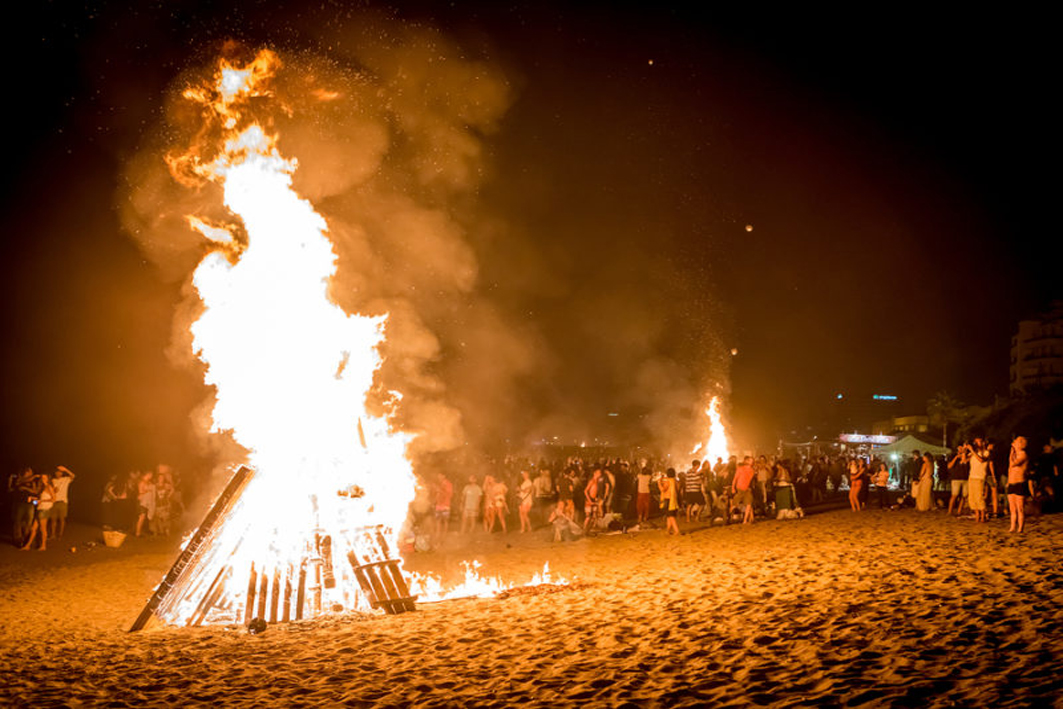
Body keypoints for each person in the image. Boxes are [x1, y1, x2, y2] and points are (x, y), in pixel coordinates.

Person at [21, 471, 55, 551]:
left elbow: (53, 499)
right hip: (40, 509)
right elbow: (41, 499)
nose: (42, 479)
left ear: (47, 478)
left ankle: (43, 546)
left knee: (42, 528)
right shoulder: (42, 487)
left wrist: (41, 501)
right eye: (41, 477)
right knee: (33, 528)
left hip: (44, 510)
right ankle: (27, 546)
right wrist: (33, 499)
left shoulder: (49, 487)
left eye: (44, 477)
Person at [1007, 436, 1031, 533]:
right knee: (1012, 508)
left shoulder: (1023, 454)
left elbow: (1013, 463)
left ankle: (1020, 528)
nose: (1014, 443)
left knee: (1019, 508)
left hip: (1020, 483)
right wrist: (1008, 481)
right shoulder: (1015, 454)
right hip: (1012, 483)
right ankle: (1012, 527)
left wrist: (1012, 452)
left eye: (1016, 442)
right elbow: (1010, 468)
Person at [49, 465, 75, 540]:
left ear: (62, 473)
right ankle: (53, 534)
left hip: (63, 502)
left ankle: (60, 535)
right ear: (55, 473)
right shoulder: (53, 480)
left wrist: (66, 470)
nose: (58, 473)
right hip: (54, 501)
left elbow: (73, 476)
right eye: (57, 472)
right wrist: (54, 490)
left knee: (62, 519)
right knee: (53, 519)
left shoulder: (66, 479)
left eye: (60, 472)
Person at [967, 439, 990, 523]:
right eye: (975, 442)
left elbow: (981, 460)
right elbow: (964, 460)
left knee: (979, 497)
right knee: (972, 497)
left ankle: (983, 516)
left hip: (979, 477)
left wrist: (972, 451)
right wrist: (964, 451)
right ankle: (977, 516)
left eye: (979, 441)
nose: (976, 443)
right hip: (972, 476)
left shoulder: (986, 452)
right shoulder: (973, 453)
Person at [947, 445, 970, 517]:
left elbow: (967, 463)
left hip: (965, 478)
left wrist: (965, 457)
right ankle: (950, 511)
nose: (961, 449)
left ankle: (959, 511)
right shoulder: (953, 456)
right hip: (956, 478)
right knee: (954, 495)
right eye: (960, 448)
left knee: (964, 496)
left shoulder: (968, 456)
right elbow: (949, 466)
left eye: (963, 448)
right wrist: (956, 457)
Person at [732, 456, 756, 524]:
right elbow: (735, 479)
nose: (752, 462)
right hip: (739, 489)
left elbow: (750, 480)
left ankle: (745, 520)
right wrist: (733, 488)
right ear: (747, 461)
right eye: (751, 460)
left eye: (752, 461)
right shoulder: (740, 469)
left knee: (748, 503)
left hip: (747, 489)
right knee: (734, 504)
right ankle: (729, 517)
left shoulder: (752, 470)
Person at [658, 468, 680, 535]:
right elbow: (678, 489)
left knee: (671, 516)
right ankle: (668, 530)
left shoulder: (668, 481)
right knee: (669, 516)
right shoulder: (675, 481)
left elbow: (663, 489)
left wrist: (659, 483)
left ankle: (676, 531)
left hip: (668, 500)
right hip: (674, 500)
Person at [433, 471, 454, 541]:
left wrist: (440, 490)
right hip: (438, 505)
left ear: (444, 476)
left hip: (445, 504)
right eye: (438, 476)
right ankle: (437, 535)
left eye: (440, 475)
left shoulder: (448, 484)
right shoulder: (439, 484)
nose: (439, 477)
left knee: (445, 521)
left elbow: (449, 494)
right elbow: (437, 494)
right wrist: (435, 500)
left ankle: (444, 535)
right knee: (438, 520)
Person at [135, 471, 156, 537]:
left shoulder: (148, 482)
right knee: (141, 517)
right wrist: (148, 490)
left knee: (143, 518)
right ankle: (137, 533)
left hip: (146, 502)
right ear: (148, 474)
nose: (151, 476)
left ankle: (139, 532)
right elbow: (140, 492)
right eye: (151, 474)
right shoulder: (141, 482)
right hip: (142, 502)